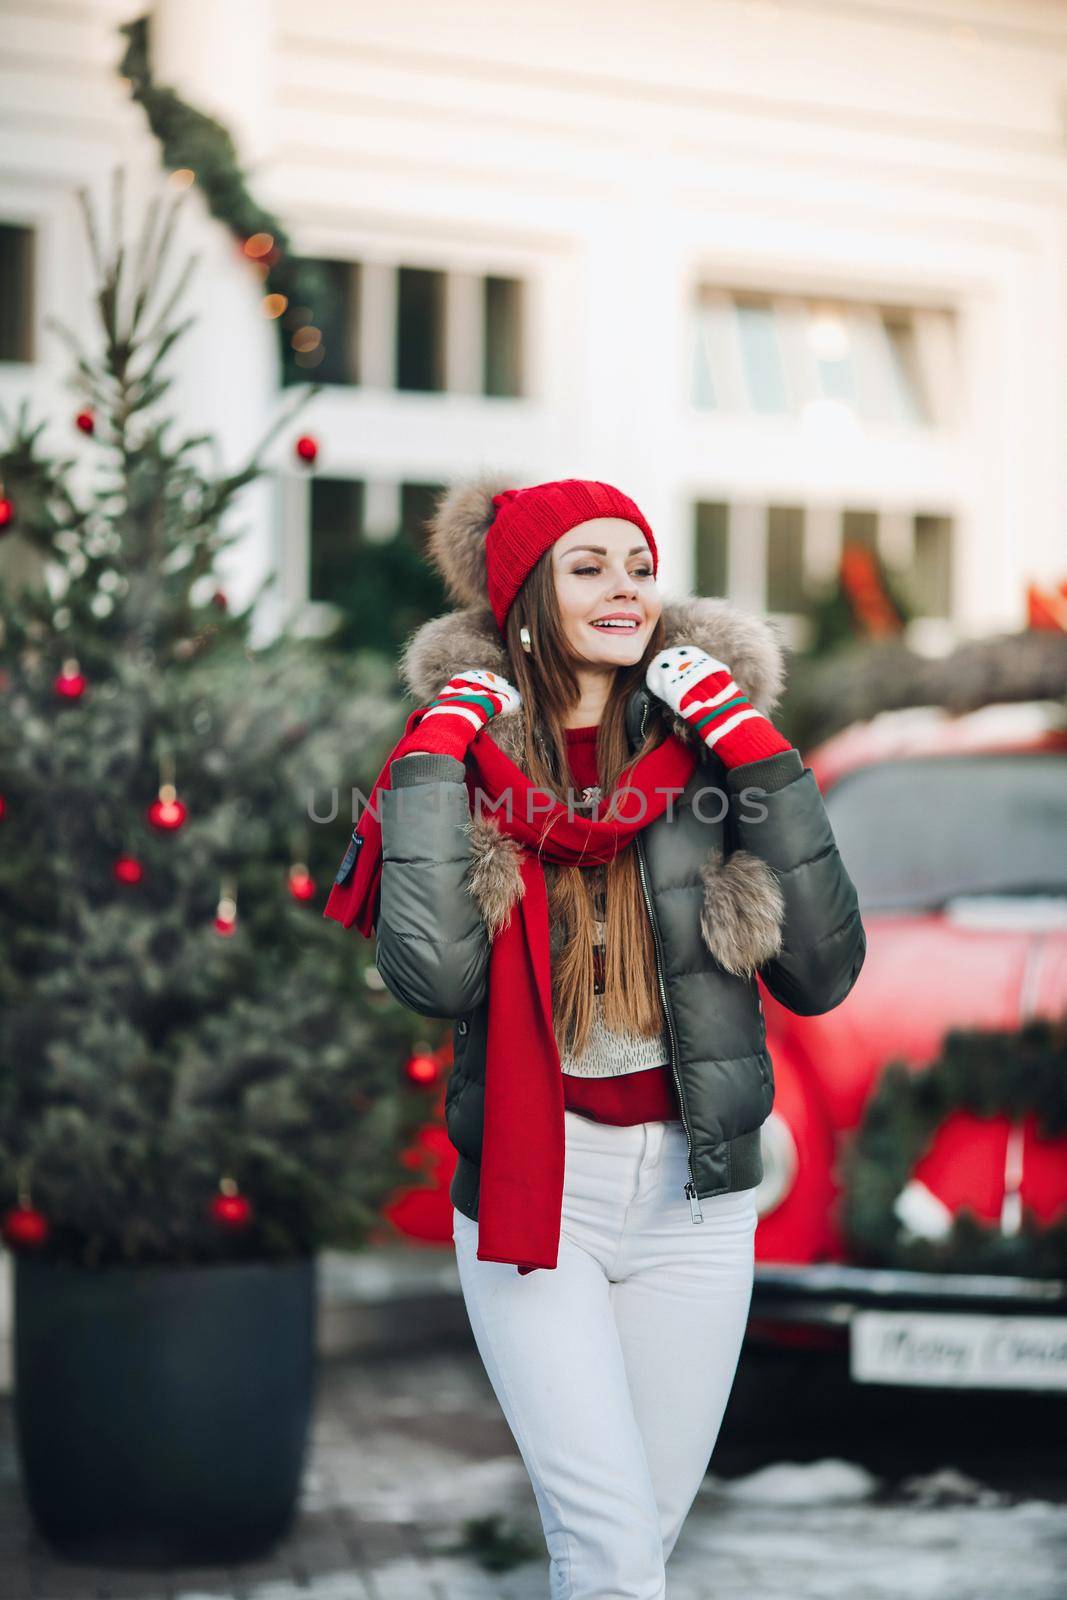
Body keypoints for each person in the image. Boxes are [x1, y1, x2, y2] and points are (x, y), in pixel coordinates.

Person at [324, 477, 866, 1600]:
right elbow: (428, 976)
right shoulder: (470, 751)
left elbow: (822, 971)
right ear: (527, 596)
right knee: (612, 1551)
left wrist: (749, 743)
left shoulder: (709, 742)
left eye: (636, 562)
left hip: (696, 1193)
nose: (623, 587)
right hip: (537, 1189)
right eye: (588, 566)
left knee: (633, 1546)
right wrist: (430, 760)